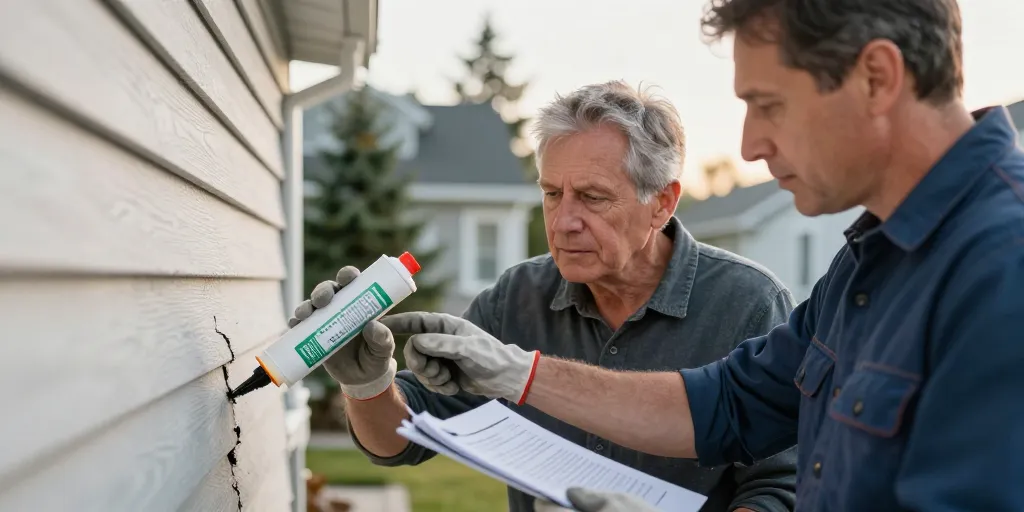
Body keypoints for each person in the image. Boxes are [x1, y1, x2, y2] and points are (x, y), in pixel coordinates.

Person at [378, 0, 1024, 510]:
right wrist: (516, 371)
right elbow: (726, 405)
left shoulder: (1003, 265)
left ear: (876, 78)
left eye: (768, 105)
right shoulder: (868, 261)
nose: (749, 145)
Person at [292, 81, 800, 511]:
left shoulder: (749, 303)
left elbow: (784, 489)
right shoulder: (517, 297)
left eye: (593, 197)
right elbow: (401, 440)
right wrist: (368, 387)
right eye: (552, 193)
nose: (563, 222)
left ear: (662, 202)